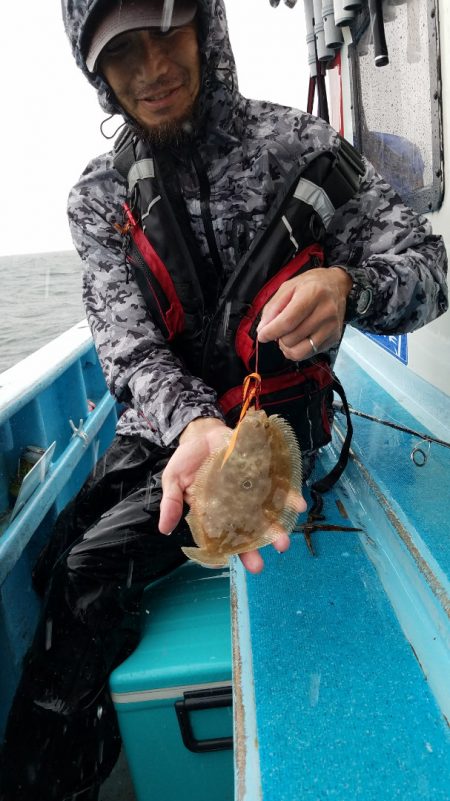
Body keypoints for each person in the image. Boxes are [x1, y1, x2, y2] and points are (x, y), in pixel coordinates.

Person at [1, 0, 448, 799]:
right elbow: (129, 348)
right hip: (173, 434)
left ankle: (52, 785)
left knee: (85, 572)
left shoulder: (304, 151)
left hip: (279, 428)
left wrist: (351, 286)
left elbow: (429, 266)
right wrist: (196, 426)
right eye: (122, 52)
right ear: (95, 70)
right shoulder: (102, 198)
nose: (152, 69)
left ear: (206, 26)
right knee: (53, 558)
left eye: (167, 32)